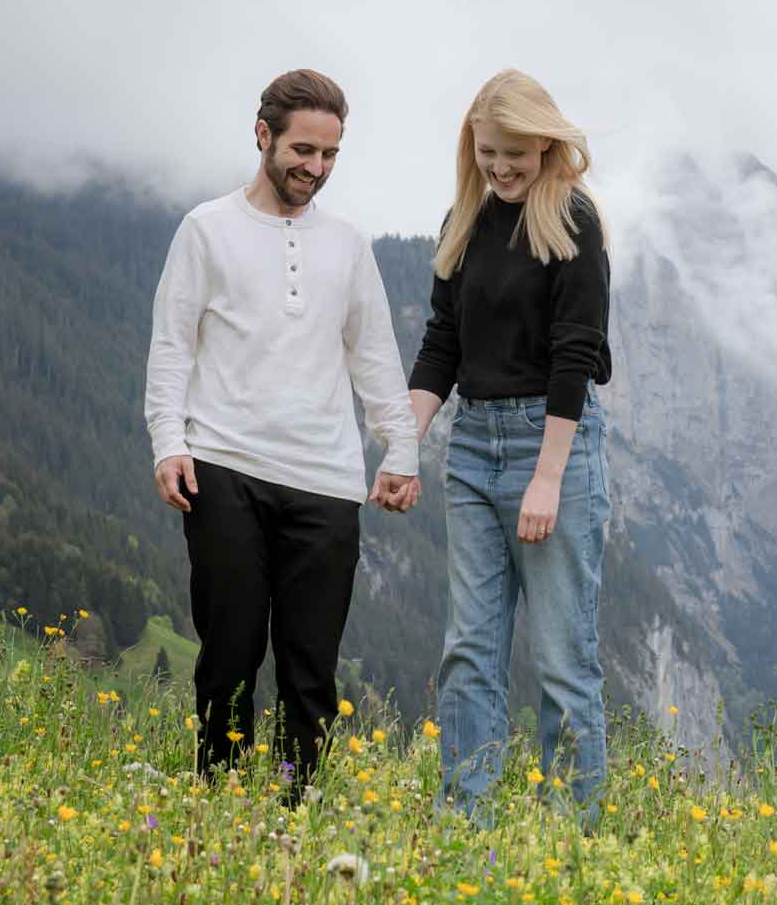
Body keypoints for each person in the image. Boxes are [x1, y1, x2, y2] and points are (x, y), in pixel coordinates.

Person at [145, 68, 420, 793]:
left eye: (330, 155)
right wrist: (168, 443)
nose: (315, 169)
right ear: (263, 134)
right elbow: (173, 345)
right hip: (224, 463)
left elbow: (373, 351)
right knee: (230, 654)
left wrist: (402, 446)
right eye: (303, 150)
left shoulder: (348, 245)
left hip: (326, 479)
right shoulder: (205, 229)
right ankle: (221, 803)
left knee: (310, 666)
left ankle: (297, 809)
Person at [408, 69, 611, 824]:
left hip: (552, 444)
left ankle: (571, 836)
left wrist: (548, 479)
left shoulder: (574, 223)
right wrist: (406, 445)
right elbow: (441, 346)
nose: (502, 168)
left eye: (516, 155)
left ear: (548, 147)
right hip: (472, 449)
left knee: (562, 660)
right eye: (489, 153)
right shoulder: (464, 223)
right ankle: (466, 823)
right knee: (469, 650)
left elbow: (576, 353)